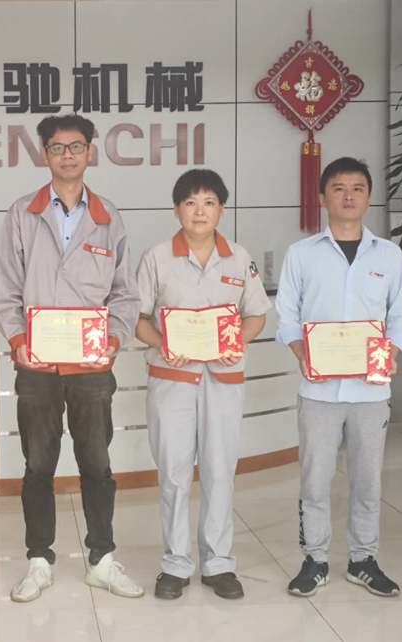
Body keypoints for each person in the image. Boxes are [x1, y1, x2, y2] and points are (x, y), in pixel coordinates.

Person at [0, 114, 144, 602]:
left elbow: (125, 293)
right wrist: (18, 339)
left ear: (90, 152)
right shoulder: (22, 213)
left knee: (96, 462)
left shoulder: (108, 216)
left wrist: (114, 340)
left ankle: (101, 559)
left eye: (76, 146)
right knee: (38, 464)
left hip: (92, 368)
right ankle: (39, 560)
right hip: (36, 365)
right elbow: (4, 288)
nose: (68, 155)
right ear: (45, 154)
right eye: (57, 148)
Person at [275, 157, 402, 598]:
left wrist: (389, 354)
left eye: (358, 188)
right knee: (315, 480)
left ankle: (363, 560)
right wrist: (302, 355)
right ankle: (315, 560)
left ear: (369, 197)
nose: (349, 196)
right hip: (318, 389)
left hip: (371, 390)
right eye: (338, 188)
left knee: (368, 481)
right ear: (323, 198)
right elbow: (287, 315)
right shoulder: (302, 254)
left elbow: (401, 315)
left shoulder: (389, 255)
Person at [134, 169, 269, 600]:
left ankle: (218, 563)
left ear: (221, 210)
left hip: (223, 379)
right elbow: (136, 319)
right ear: (177, 209)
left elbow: (256, 314)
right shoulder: (156, 258)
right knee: (174, 474)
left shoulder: (239, 257)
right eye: (190, 202)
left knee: (219, 471)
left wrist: (238, 342)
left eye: (209, 202)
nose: (199, 211)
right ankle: (175, 564)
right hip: (172, 378)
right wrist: (162, 343)